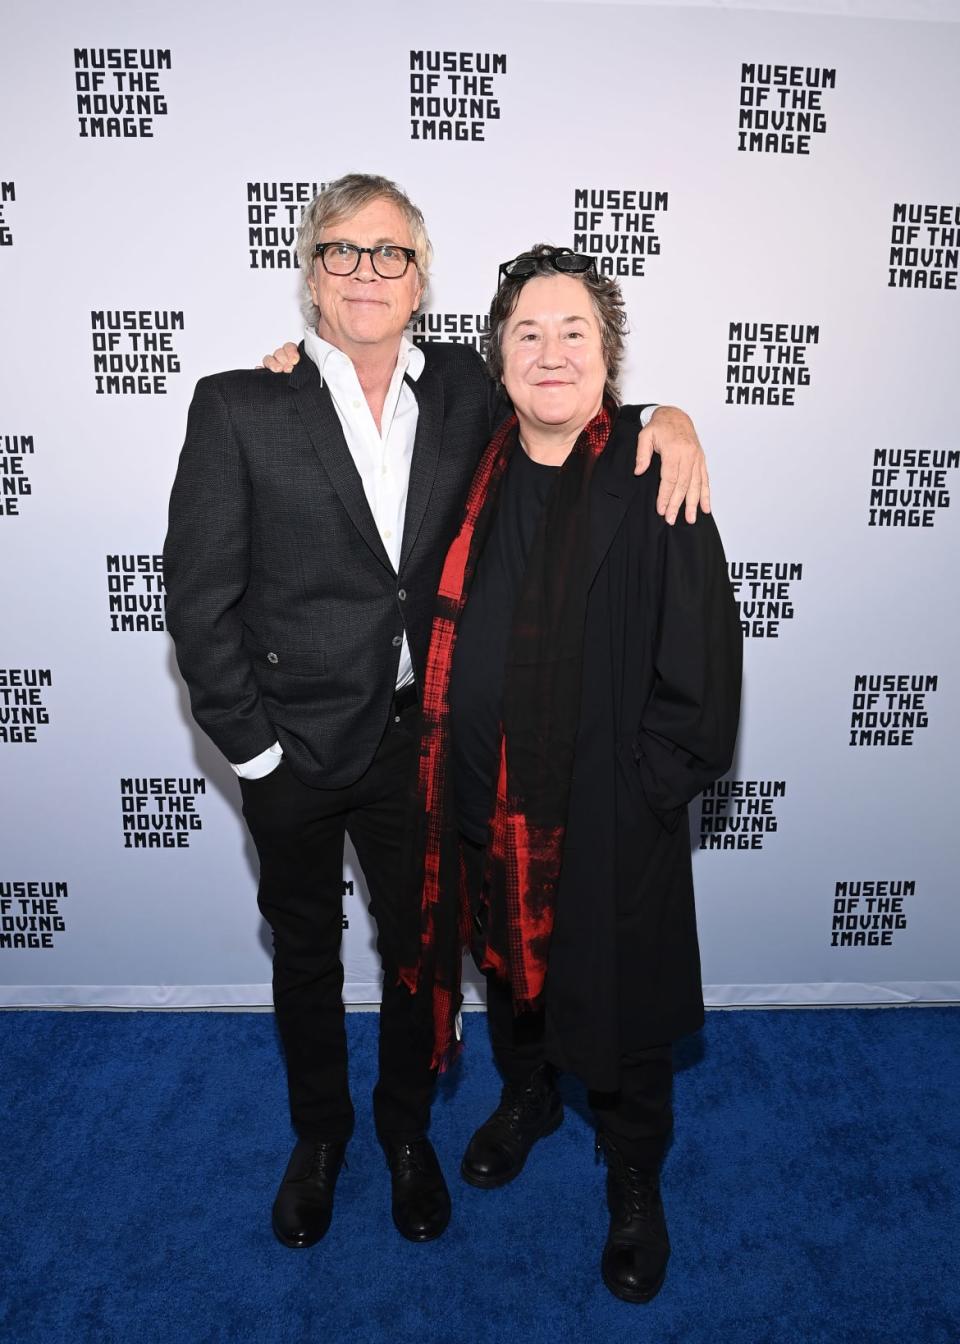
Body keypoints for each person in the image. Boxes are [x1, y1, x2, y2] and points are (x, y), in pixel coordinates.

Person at [163, 174, 711, 1252]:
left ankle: (408, 1133)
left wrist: (671, 418)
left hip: (421, 749)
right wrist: (258, 755)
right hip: (293, 753)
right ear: (312, 275)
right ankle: (319, 1139)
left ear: (421, 281)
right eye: (343, 252)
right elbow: (198, 598)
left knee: (420, 955)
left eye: (390, 255)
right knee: (307, 956)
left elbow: (572, 396)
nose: (367, 272)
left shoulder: (466, 390)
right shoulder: (242, 403)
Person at [401, 245, 742, 1301]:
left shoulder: (652, 471)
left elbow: (700, 673)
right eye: (528, 333)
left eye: (575, 333)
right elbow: (352, 379)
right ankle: (531, 1096)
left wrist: (638, 796)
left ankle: (635, 1176)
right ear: (496, 359)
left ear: (610, 359)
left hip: (606, 820)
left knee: (627, 1012)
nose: (551, 352)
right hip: (481, 809)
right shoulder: (463, 463)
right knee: (506, 977)